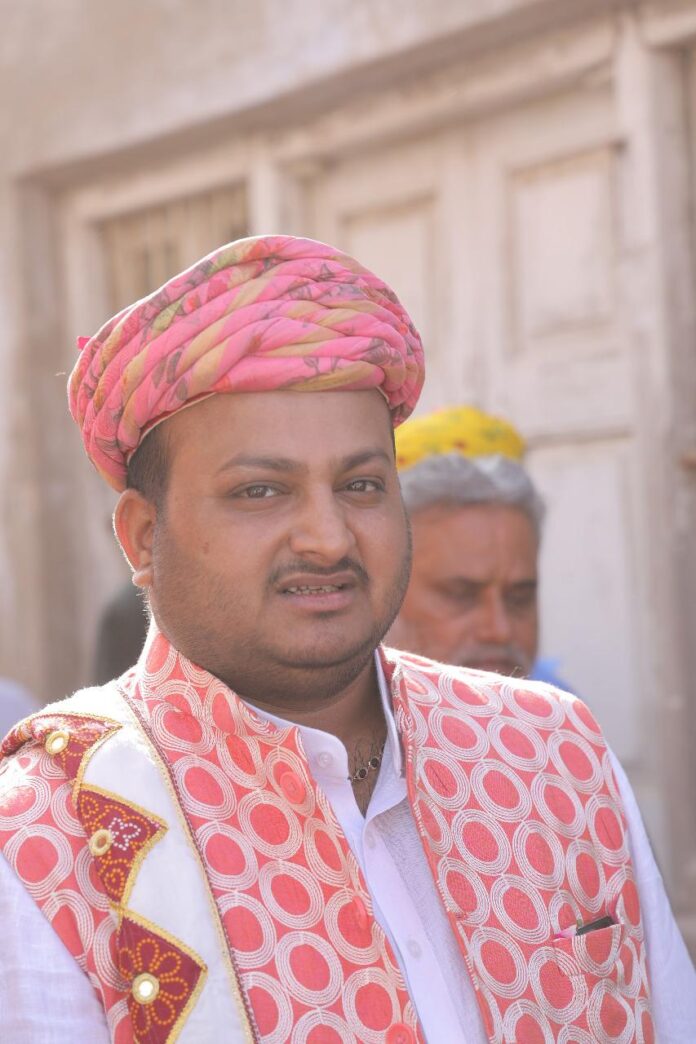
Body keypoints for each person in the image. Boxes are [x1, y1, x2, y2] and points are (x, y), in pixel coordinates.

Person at [0, 235, 692, 1043]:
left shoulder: (551, 750)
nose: (329, 538)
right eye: (261, 491)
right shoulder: (51, 837)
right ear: (144, 537)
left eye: (361, 485)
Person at [390, 405, 572, 688]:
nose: (499, 630)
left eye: (519, 598)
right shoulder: (326, 713)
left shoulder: (561, 708)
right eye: (461, 595)